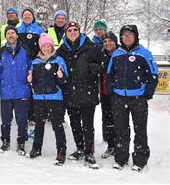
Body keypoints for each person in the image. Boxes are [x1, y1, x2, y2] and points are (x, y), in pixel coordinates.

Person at [107, 25, 158, 172]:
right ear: (121, 37)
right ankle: (121, 158)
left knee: (140, 129)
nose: (127, 37)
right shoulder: (117, 53)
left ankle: (140, 159)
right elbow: (110, 74)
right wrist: (112, 92)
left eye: (130, 34)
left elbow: (153, 75)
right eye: (124, 35)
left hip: (138, 99)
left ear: (135, 36)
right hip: (118, 98)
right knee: (121, 130)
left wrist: (147, 94)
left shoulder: (144, 53)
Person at [56, 22, 103, 169]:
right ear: (66, 33)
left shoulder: (92, 47)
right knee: (75, 124)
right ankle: (80, 149)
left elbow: (104, 64)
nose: (72, 32)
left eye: (75, 30)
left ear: (79, 31)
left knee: (87, 125)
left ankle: (90, 153)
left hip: (87, 93)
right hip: (70, 93)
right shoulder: (62, 50)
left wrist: (94, 68)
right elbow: (56, 66)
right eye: (69, 30)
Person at [27, 33, 68, 165]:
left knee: (57, 125)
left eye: (48, 45)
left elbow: (64, 80)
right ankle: (36, 149)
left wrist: (61, 76)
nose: (46, 48)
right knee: (39, 125)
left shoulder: (58, 60)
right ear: (41, 47)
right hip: (38, 98)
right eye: (44, 46)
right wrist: (30, 80)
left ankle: (61, 151)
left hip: (55, 98)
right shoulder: (35, 62)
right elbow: (32, 81)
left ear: (51, 46)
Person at [0, 26, 32, 155]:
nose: (10, 35)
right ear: (6, 36)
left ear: (16, 35)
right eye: (8, 33)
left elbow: (32, 67)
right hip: (6, 91)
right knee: (6, 120)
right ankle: (5, 142)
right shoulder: (1, 52)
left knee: (22, 120)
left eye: (12, 33)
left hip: (22, 90)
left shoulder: (25, 50)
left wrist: (31, 79)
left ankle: (21, 143)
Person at [99, 31, 118, 159]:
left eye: (110, 41)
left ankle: (121, 146)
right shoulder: (101, 55)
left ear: (115, 42)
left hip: (120, 94)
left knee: (121, 121)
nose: (107, 43)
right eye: (105, 41)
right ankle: (111, 145)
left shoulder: (121, 54)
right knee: (108, 120)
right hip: (106, 93)